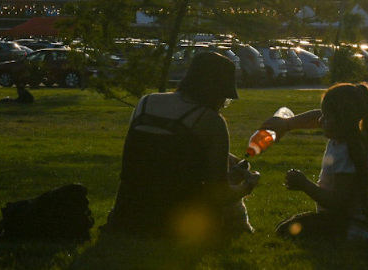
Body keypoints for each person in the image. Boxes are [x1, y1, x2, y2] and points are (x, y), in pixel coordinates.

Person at [104, 51, 260, 241]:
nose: (223, 104)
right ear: (217, 92)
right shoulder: (210, 120)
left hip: (127, 215)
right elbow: (219, 194)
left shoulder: (146, 102)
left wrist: (222, 157)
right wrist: (248, 186)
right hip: (178, 223)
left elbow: (156, 152)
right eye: (225, 98)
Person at [260, 83, 368, 242]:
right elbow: (317, 117)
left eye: (327, 117)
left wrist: (304, 184)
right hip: (345, 223)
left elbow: (338, 202)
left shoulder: (348, 152)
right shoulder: (344, 137)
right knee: (287, 227)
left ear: (341, 120)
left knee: (288, 230)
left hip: (352, 227)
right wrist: (286, 124)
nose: (320, 120)